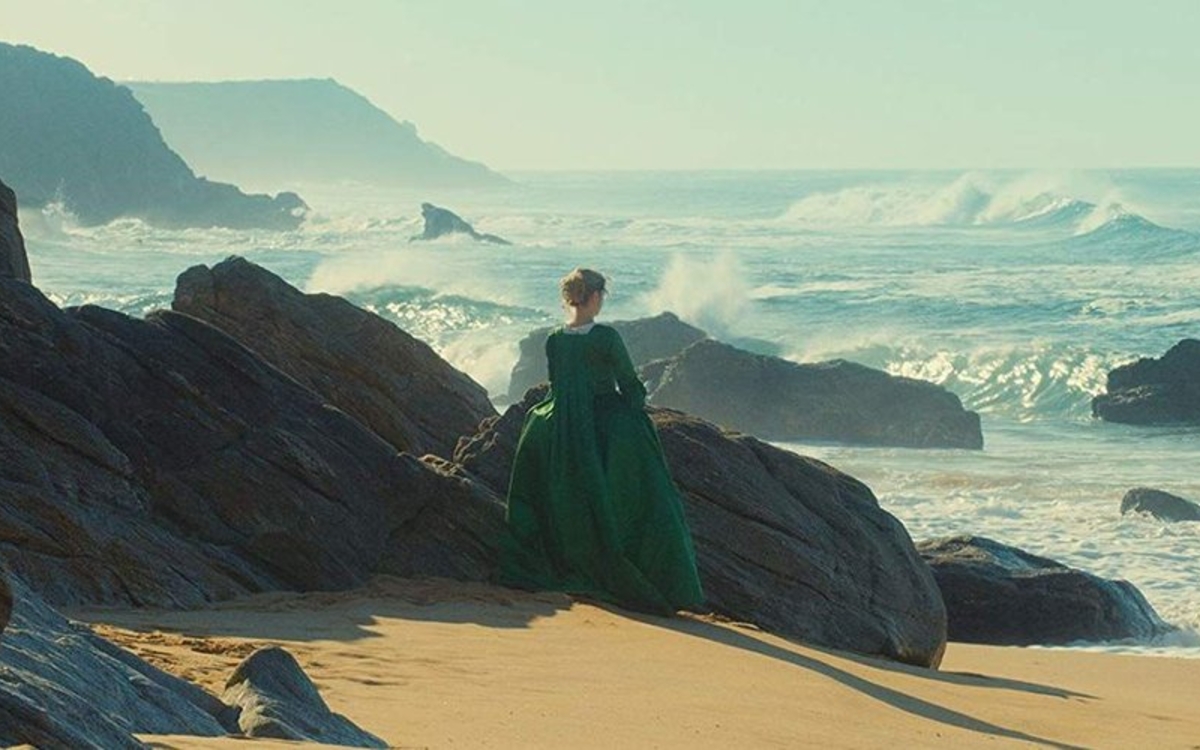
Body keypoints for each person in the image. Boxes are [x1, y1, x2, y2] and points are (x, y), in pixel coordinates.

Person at [498, 268, 706, 615]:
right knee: (653, 493)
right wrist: (637, 409)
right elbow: (628, 383)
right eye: (602, 296)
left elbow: (557, 386)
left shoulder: (554, 338)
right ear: (594, 296)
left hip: (563, 421)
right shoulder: (606, 337)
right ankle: (663, 580)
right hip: (604, 419)